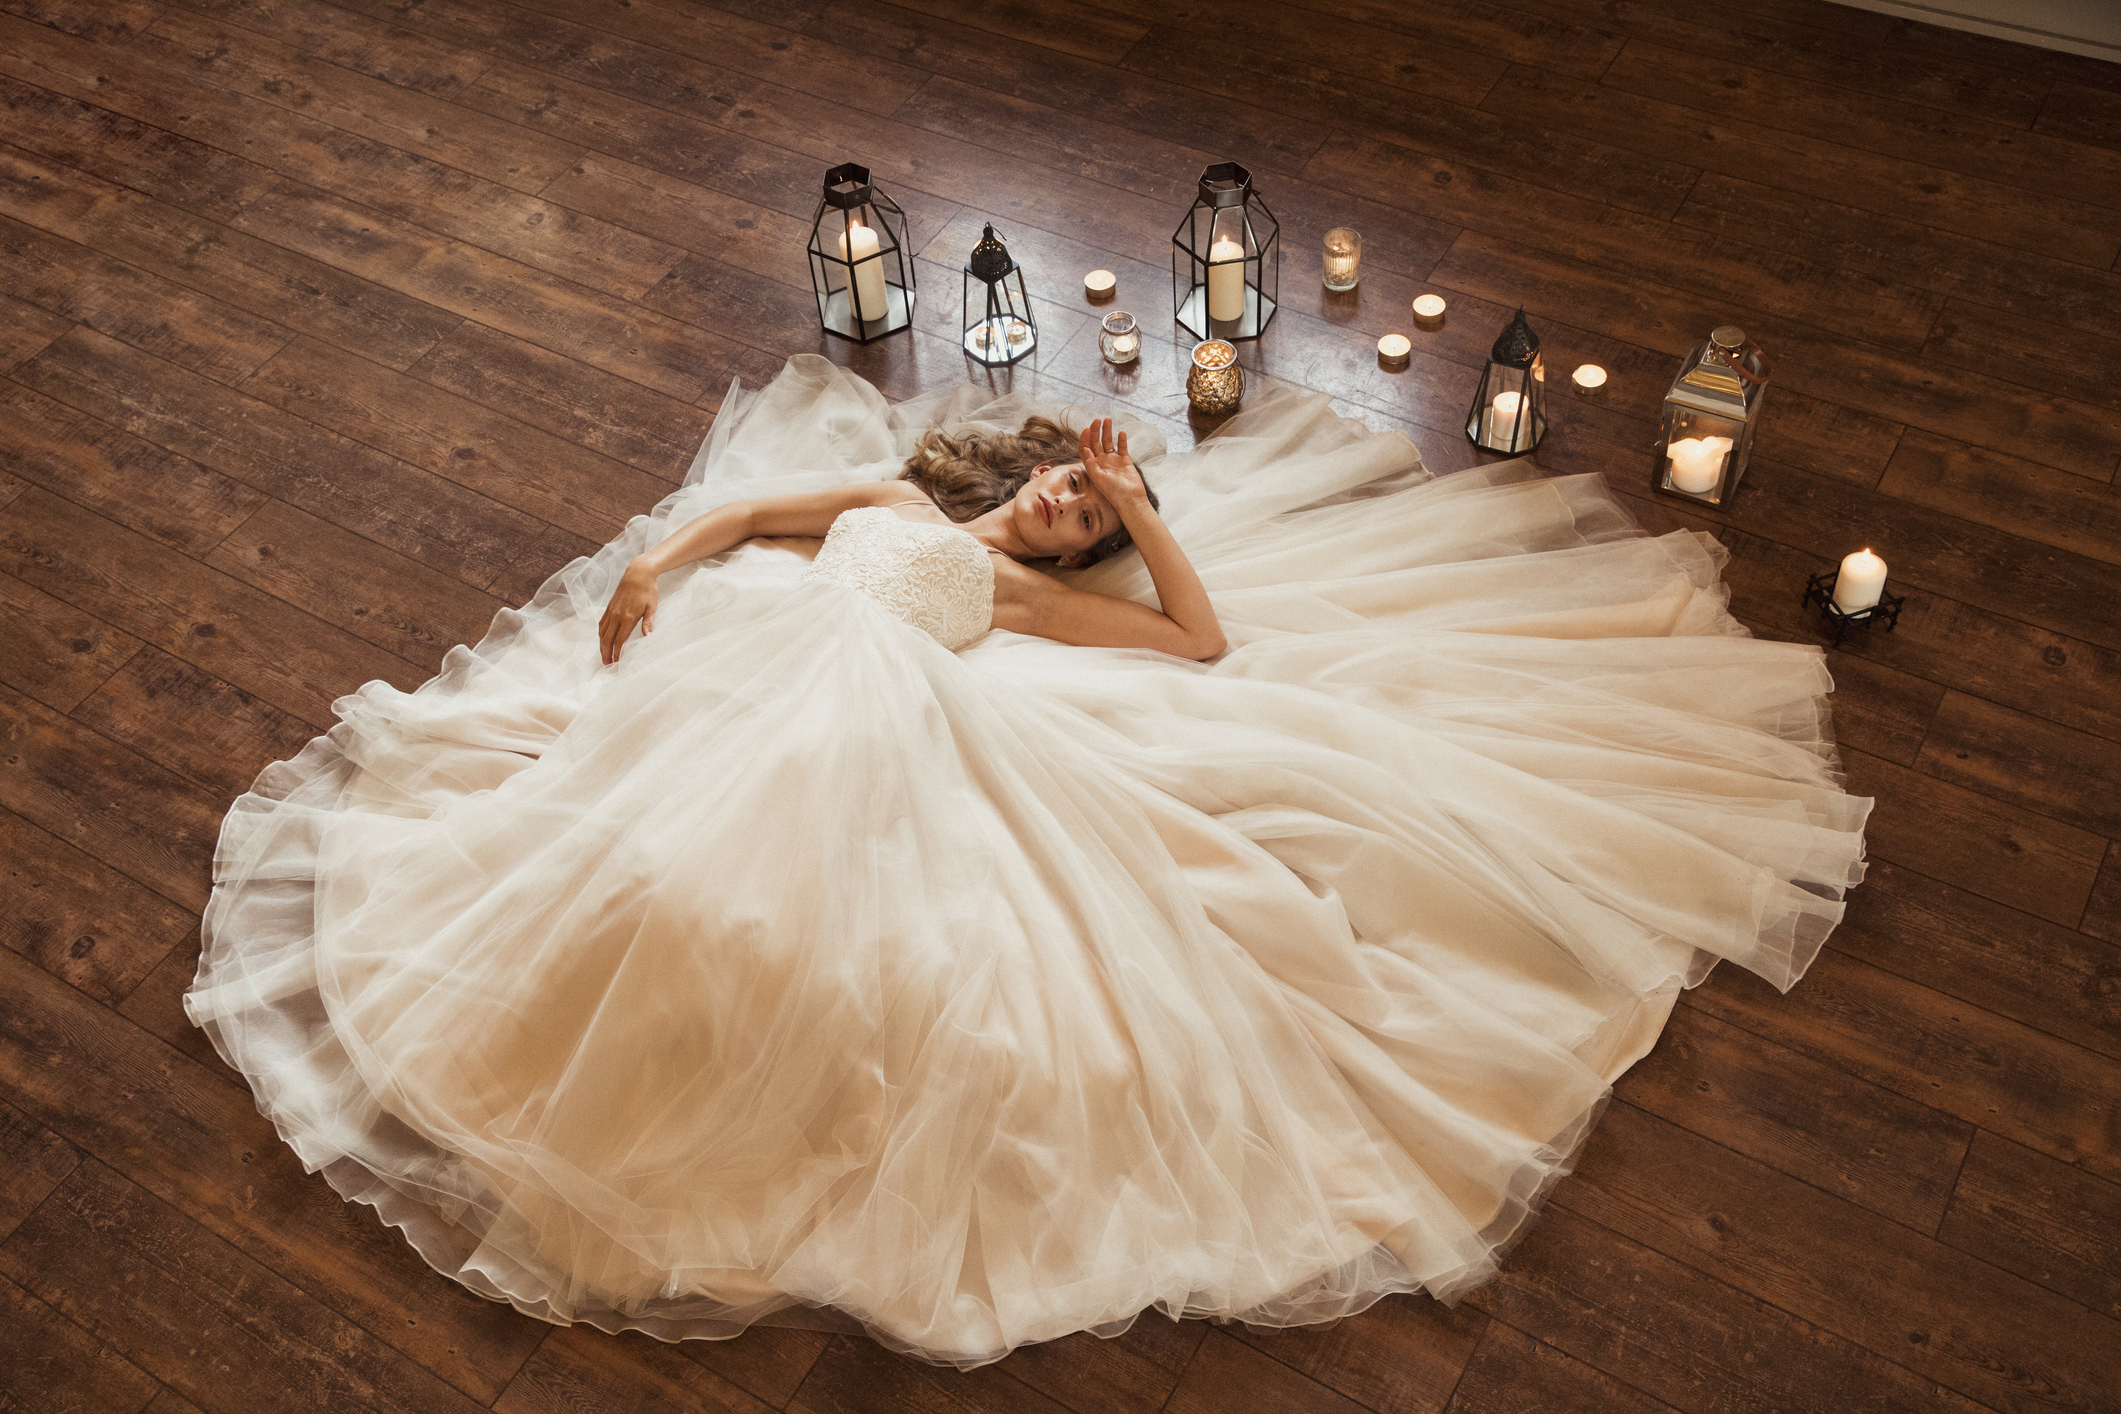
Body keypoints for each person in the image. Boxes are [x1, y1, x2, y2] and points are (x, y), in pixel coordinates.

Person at [188, 356, 1869, 1369]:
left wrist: (1143, 523)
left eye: (1085, 516)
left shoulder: (1024, 594)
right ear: (1018, 473)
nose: (1065, 507)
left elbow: (1200, 645)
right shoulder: (897, 503)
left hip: (861, 718)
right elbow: (746, 520)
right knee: (610, 833)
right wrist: (647, 573)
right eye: (1065, 486)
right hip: (736, 660)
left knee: (767, 894)